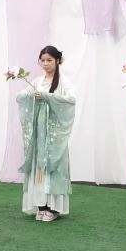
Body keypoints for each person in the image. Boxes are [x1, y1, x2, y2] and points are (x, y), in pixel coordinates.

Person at [17, 46, 76, 222]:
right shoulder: (37, 81)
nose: (45, 63)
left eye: (49, 60)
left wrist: (47, 97)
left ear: (57, 61)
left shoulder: (64, 82)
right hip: (39, 133)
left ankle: (53, 208)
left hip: (54, 135)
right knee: (38, 166)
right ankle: (41, 206)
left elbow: (71, 100)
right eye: (42, 60)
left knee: (53, 166)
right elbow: (21, 96)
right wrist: (31, 96)